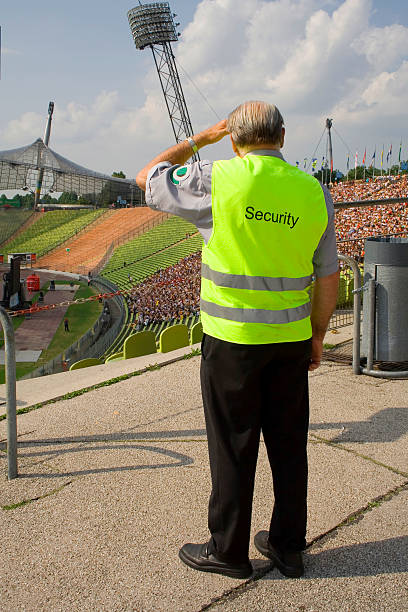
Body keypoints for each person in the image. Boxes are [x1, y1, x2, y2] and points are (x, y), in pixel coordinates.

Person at [136, 101, 339, 580]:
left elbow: (148, 175)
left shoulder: (217, 178)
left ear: (234, 140)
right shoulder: (315, 191)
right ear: (283, 137)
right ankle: (289, 547)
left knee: (232, 445)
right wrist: (316, 337)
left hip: (231, 342)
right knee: (290, 447)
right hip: (289, 341)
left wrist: (200, 139)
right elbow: (327, 275)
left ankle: (228, 552)